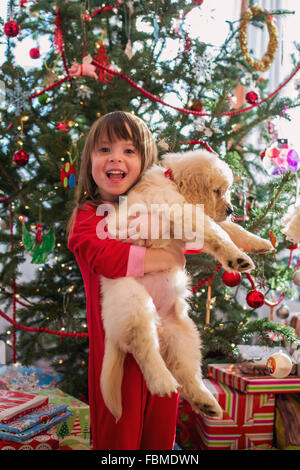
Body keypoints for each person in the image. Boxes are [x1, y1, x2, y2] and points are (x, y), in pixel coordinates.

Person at [67, 111, 186, 450]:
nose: (116, 157)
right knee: (119, 433)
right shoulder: (87, 217)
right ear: (90, 160)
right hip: (117, 347)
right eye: (104, 149)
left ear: (145, 162)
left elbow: (189, 236)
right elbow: (107, 259)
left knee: (160, 435)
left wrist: (175, 249)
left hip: (163, 345)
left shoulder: (155, 208)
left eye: (129, 151)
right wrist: (167, 257)